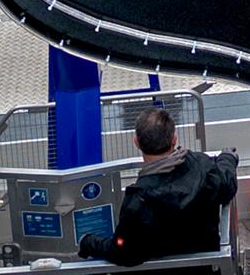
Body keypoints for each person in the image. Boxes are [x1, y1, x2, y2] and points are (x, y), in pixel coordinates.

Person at [78, 109, 238, 265]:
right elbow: (227, 183)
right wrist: (227, 158)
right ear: (174, 139)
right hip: (206, 266)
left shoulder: (138, 201)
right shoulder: (201, 166)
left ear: (136, 142)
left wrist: (88, 242)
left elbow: (123, 252)